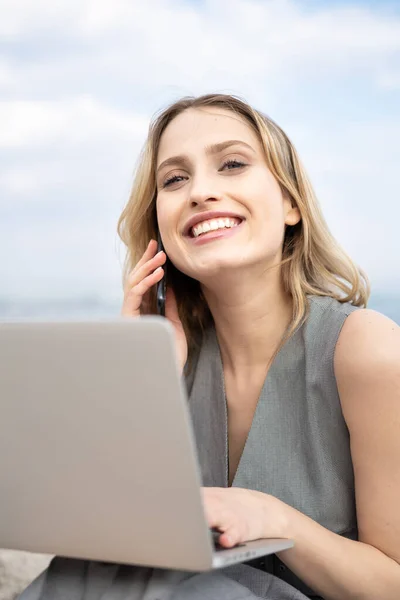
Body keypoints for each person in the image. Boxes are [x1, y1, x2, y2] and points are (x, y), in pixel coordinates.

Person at [19, 94, 400, 600]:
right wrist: (138, 383)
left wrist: (271, 517)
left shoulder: (365, 349)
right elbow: (105, 542)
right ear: (159, 224)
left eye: (233, 164)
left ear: (291, 203)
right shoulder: (168, 360)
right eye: (175, 180)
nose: (200, 192)